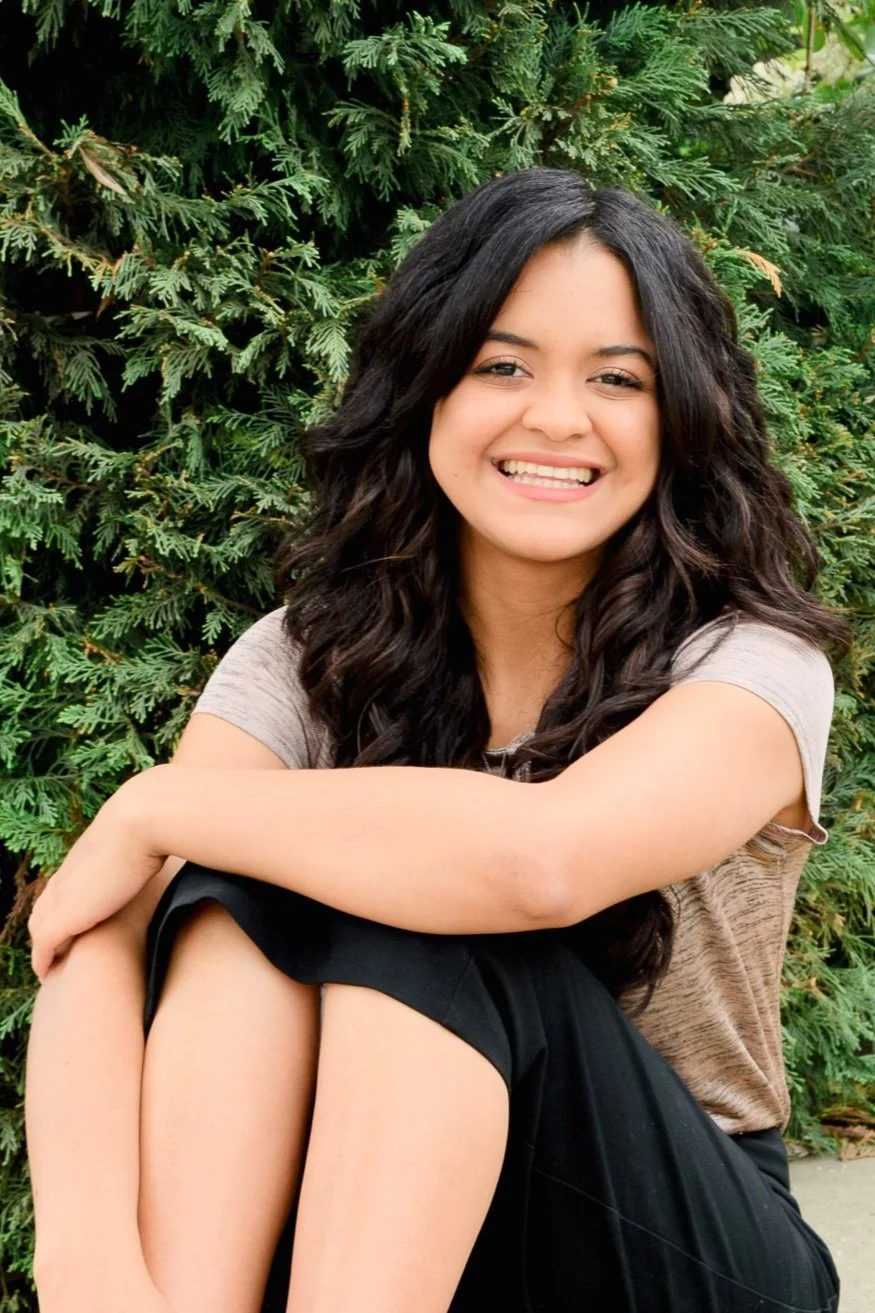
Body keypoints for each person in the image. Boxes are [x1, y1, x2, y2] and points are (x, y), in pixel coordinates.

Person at [25, 168, 847, 1313]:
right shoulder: (309, 653)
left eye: (616, 378)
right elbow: (96, 934)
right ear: (425, 386)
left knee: (418, 915)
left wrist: (153, 803)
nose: (555, 416)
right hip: (385, 1215)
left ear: (679, 417)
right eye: (502, 366)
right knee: (232, 889)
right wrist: (83, 1253)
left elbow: (541, 861)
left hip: (677, 1246)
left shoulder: (748, 663)